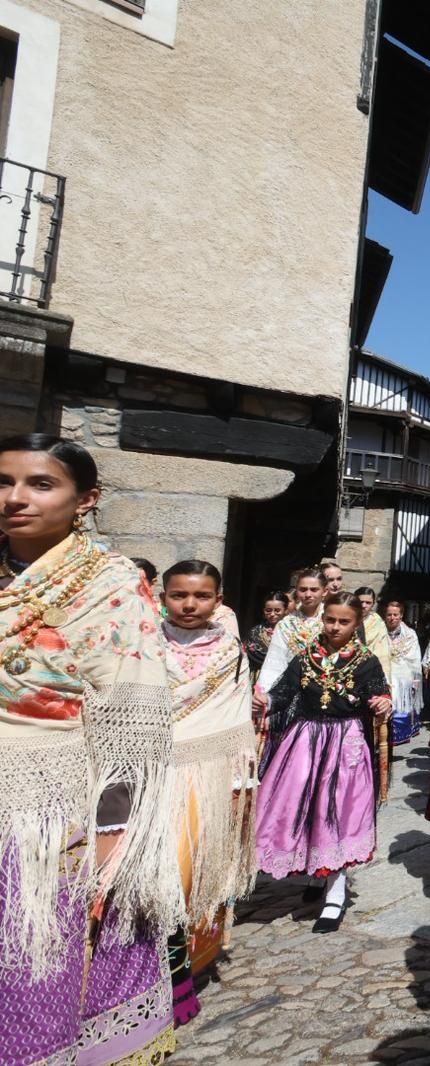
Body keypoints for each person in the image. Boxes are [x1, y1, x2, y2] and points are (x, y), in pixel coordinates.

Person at [0, 434, 181, 1064]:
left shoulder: (112, 585)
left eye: (40, 483)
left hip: (49, 810)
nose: (15, 498)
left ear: (86, 500)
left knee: (32, 967)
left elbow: (130, 724)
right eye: (4, 481)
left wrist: (113, 846)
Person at [255, 590, 390, 933]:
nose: (334, 626)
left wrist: (382, 704)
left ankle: (335, 894)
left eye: (344, 621)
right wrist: (265, 702)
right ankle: (313, 873)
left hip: (345, 745)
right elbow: (284, 691)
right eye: (329, 619)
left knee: (336, 815)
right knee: (301, 807)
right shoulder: (304, 657)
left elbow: (381, 693)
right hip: (304, 741)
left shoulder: (366, 661)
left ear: (357, 623)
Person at [159, 558, 258, 1026]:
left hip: (207, 778)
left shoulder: (231, 654)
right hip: (148, 773)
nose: (189, 604)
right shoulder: (141, 644)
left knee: (184, 878)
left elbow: (237, 718)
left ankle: (177, 981)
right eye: (179, 595)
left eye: (201, 596)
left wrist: (238, 786)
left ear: (218, 601)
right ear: (163, 598)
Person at [255, 567, 327, 699]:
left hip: (327, 687)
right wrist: (265, 694)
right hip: (293, 688)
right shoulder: (286, 624)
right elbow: (275, 661)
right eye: (303, 589)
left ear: (324, 591)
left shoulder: (333, 620)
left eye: (314, 589)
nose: (308, 594)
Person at [383, 599, 424, 744]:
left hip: (403, 678)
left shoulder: (410, 634)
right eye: (389, 615)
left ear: (401, 616)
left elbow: (414, 658)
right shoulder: (380, 632)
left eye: (395, 614)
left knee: (400, 708)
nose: (392, 618)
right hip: (385, 675)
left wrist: (414, 680)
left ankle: (398, 736)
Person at [355, 585, 395, 686]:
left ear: (373, 604)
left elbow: (382, 651)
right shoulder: (346, 618)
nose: (364, 605)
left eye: (368, 603)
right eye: (361, 602)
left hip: (370, 668)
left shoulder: (377, 622)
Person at [245, 591, 289, 676]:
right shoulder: (255, 632)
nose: (272, 614)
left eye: (277, 610)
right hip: (259, 674)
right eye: (268, 610)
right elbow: (252, 656)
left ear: (286, 610)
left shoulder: (292, 632)